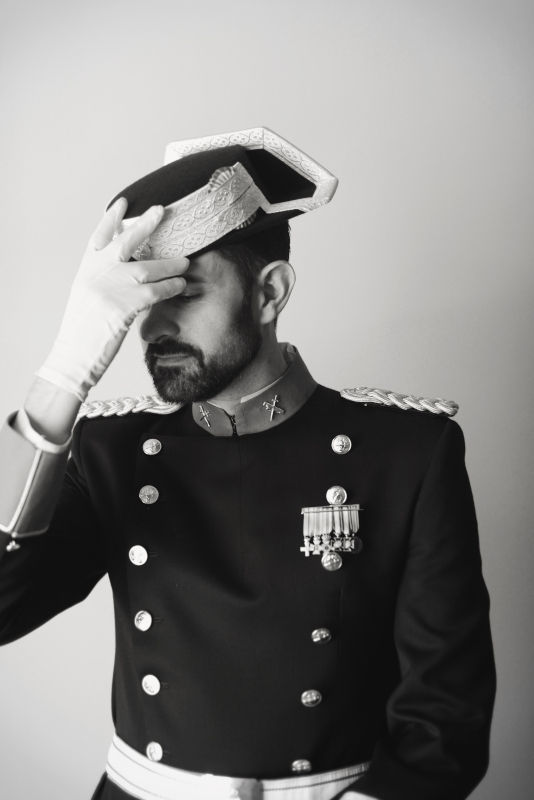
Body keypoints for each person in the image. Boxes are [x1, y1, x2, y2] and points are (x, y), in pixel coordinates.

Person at [0, 127, 495, 800]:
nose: (151, 328)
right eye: (140, 301)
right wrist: (61, 378)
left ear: (269, 293)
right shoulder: (110, 450)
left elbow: (445, 715)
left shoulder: (407, 452)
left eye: (183, 293)